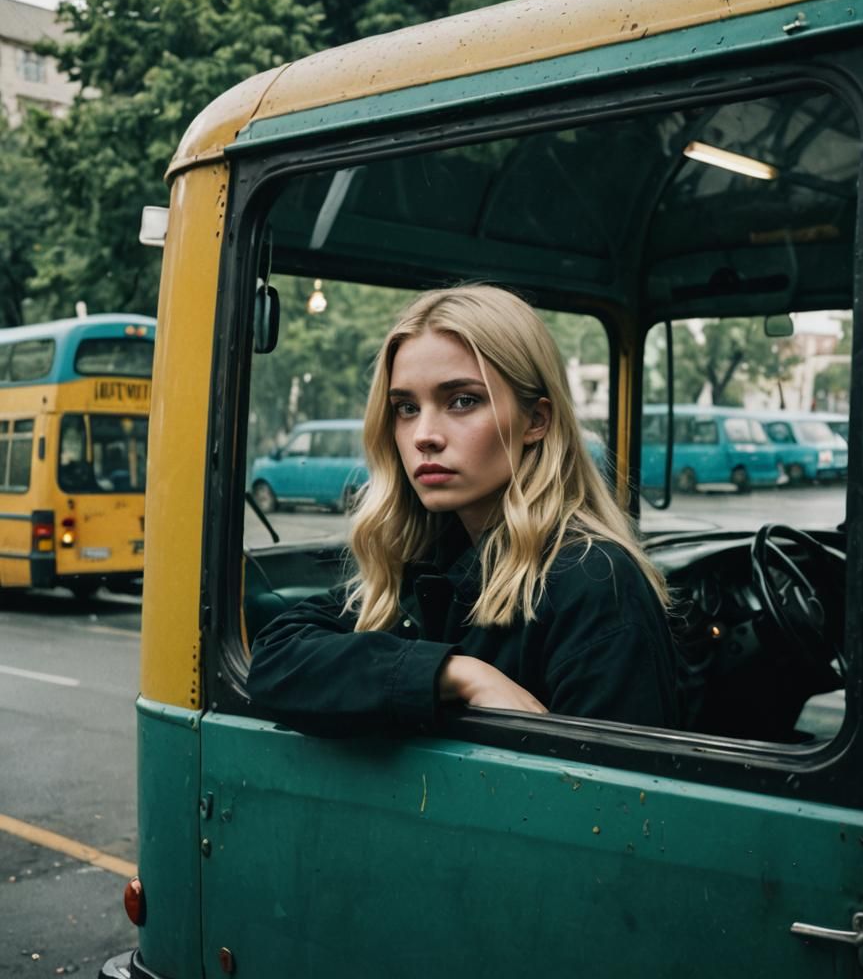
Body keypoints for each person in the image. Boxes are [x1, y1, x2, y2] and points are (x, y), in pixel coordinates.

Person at [246, 284, 679, 732]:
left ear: (536, 421)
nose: (424, 436)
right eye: (406, 408)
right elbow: (275, 657)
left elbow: (611, 774)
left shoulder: (594, 578)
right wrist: (456, 675)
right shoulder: (428, 560)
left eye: (462, 401)